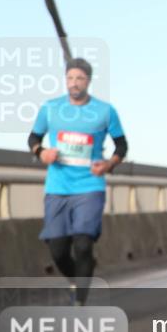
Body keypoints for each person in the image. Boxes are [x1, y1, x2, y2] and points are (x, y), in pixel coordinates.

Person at [28, 58, 127, 305]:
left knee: (83, 244)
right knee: (58, 250)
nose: (74, 83)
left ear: (88, 81)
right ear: (66, 80)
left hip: (89, 186)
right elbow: (33, 138)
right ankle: (79, 276)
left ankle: (79, 300)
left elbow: (122, 145)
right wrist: (41, 153)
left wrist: (108, 164)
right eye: (70, 78)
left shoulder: (105, 111)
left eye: (79, 79)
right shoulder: (51, 108)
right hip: (58, 186)